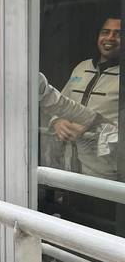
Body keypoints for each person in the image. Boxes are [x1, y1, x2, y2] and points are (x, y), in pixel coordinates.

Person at [48, 18, 120, 179]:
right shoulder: (82, 67)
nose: (110, 38)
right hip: (68, 167)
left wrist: (93, 124)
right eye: (105, 32)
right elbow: (60, 104)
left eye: (118, 33)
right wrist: (57, 121)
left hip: (105, 174)